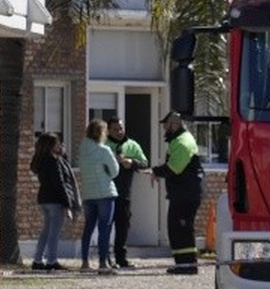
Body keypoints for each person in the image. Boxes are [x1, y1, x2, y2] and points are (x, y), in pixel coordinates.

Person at [150, 111, 204, 275]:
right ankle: (183, 264)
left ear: (174, 125)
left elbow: (175, 168)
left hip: (185, 194)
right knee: (177, 228)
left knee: (182, 229)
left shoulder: (181, 142)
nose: (164, 128)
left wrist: (155, 171)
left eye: (166, 125)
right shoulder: (179, 140)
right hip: (183, 193)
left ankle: (187, 265)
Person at [29, 133, 79, 272]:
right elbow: (60, 182)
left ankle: (38, 259)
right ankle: (52, 260)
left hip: (44, 199)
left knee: (46, 230)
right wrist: (67, 203)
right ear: (51, 145)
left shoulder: (40, 159)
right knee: (54, 232)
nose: (60, 146)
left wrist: (63, 155)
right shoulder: (53, 161)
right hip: (55, 200)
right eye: (57, 143)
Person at [106, 117, 149, 269]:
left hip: (124, 193)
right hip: (106, 192)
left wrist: (131, 162)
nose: (119, 132)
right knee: (106, 226)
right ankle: (105, 258)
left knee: (123, 226)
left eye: (121, 129)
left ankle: (121, 258)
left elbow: (144, 163)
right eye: (115, 129)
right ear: (108, 130)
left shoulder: (132, 145)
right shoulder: (104, 145)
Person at [78, 119, 120, 275]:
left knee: (88, 227)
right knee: (104, 228)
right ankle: (103, 262)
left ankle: (85, 262)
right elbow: (115, 171)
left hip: (88, 193)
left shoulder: (82, 149)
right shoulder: (104, 150)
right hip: (105, 192)